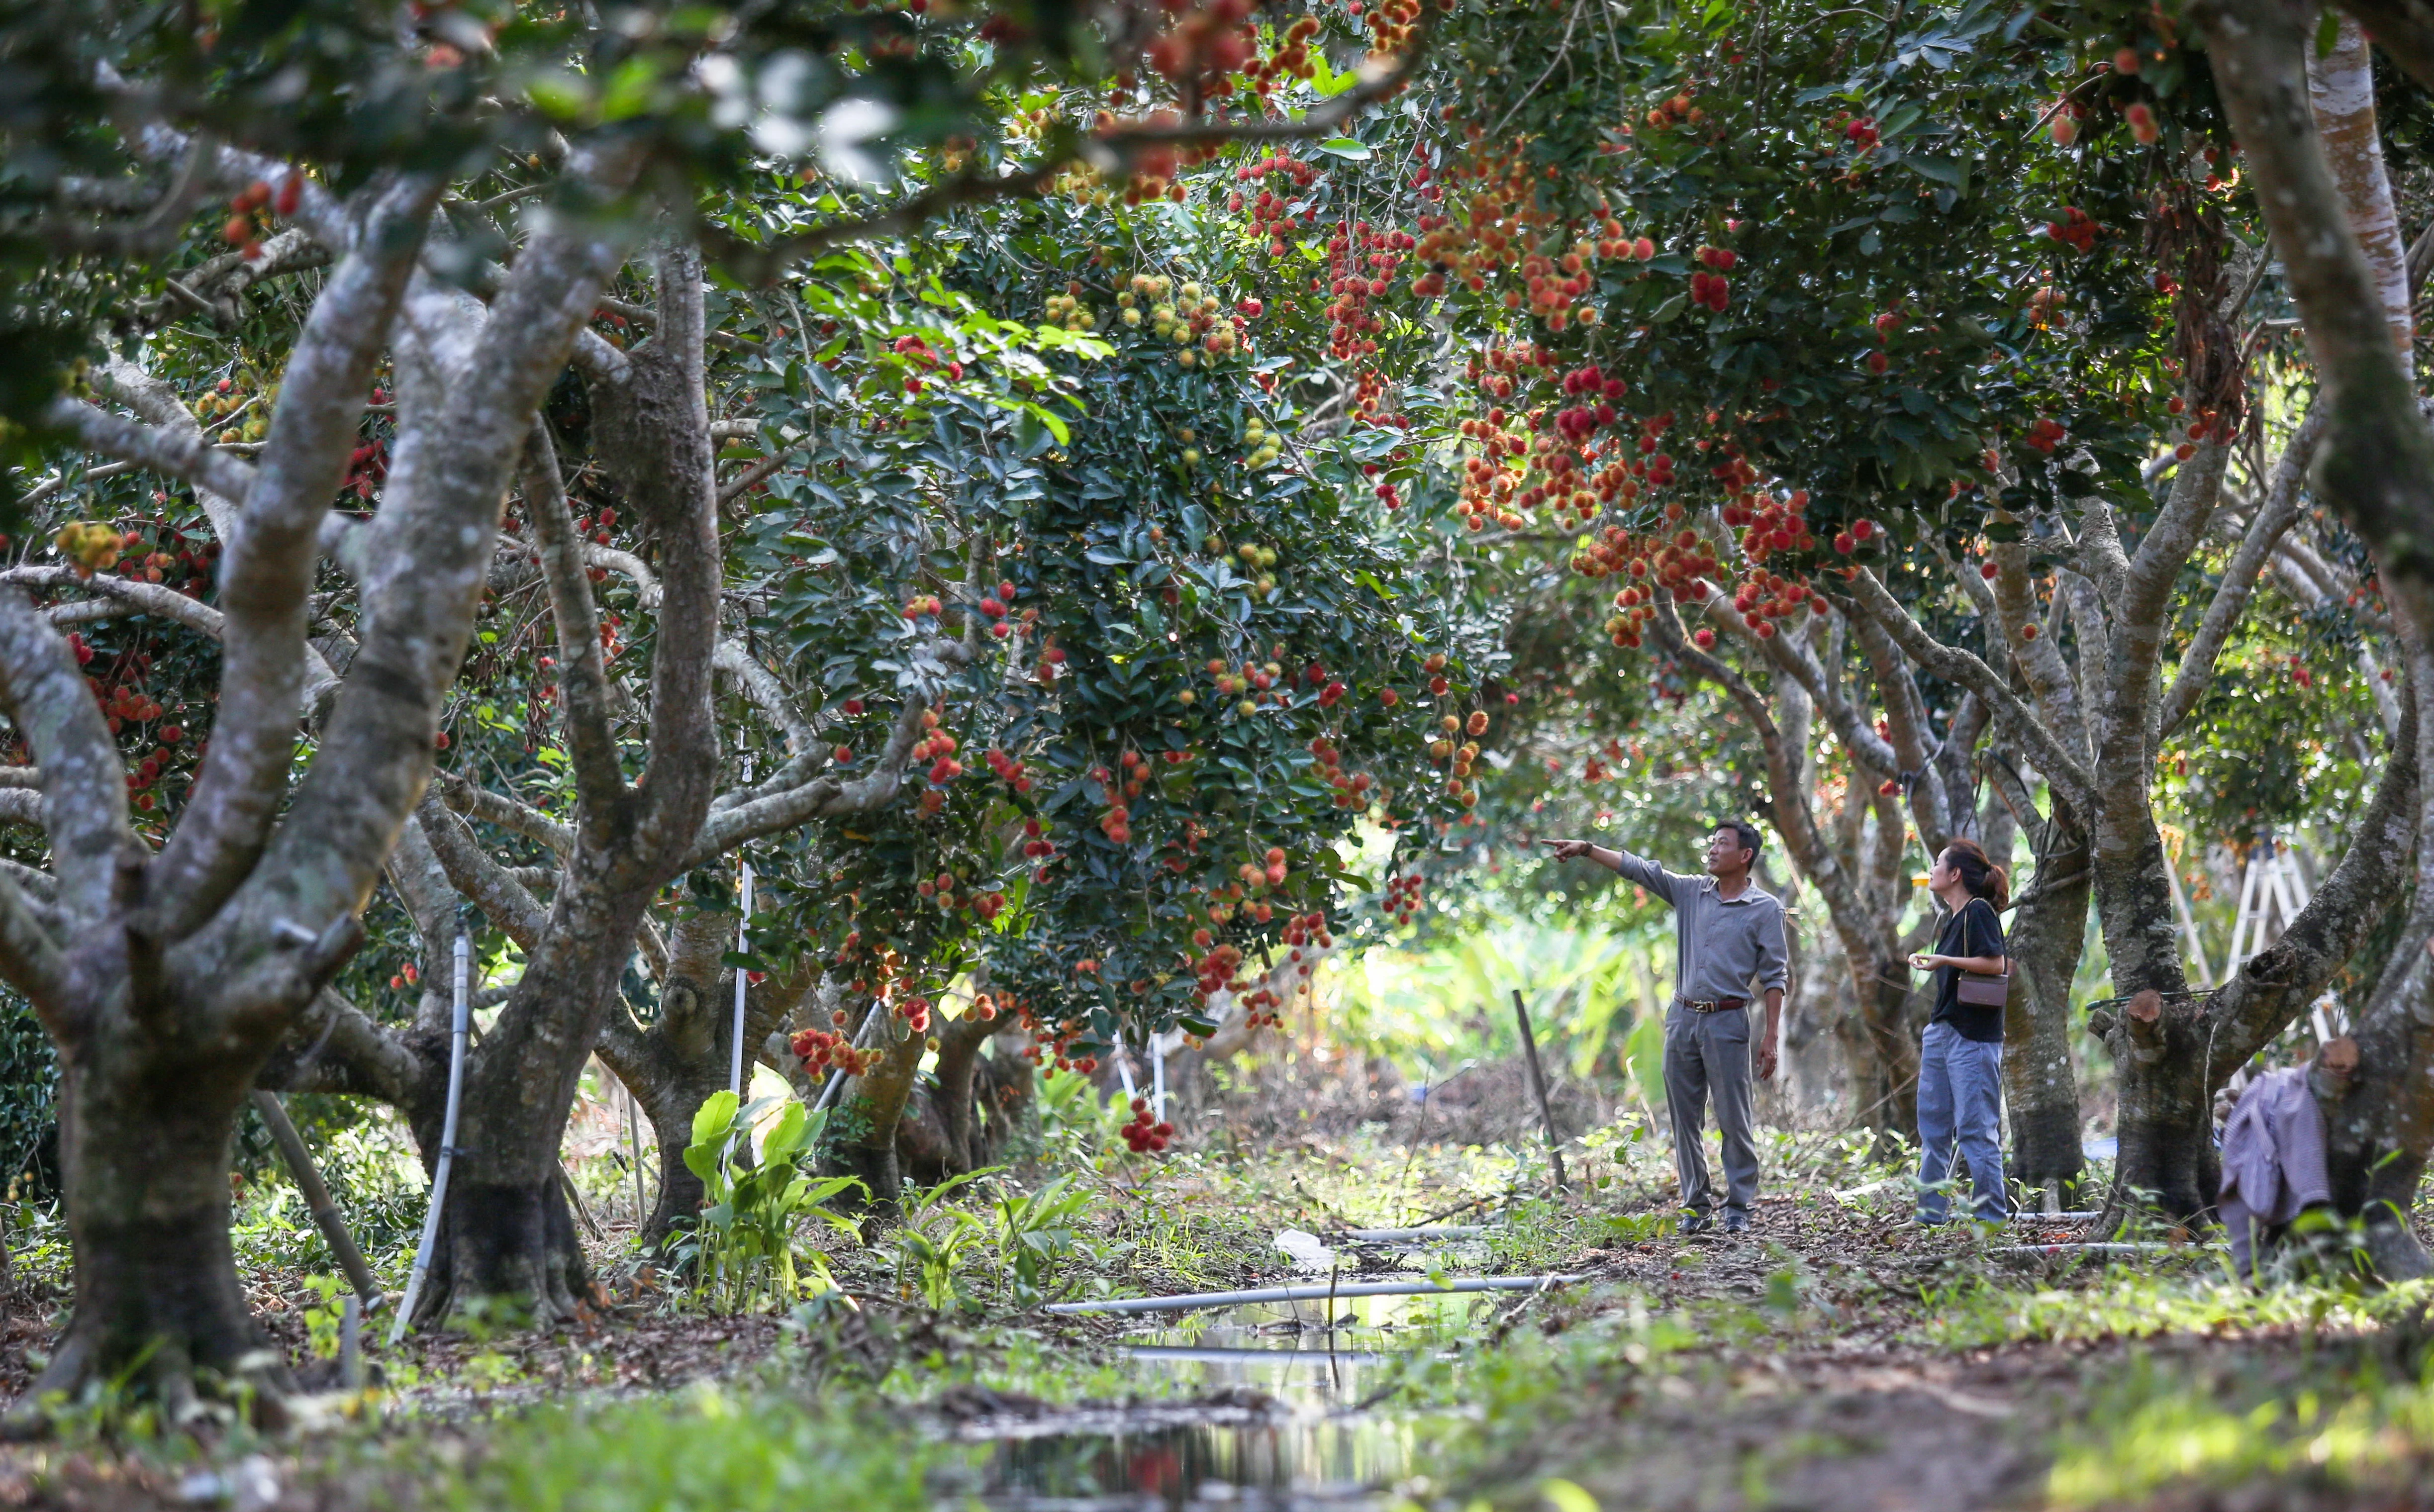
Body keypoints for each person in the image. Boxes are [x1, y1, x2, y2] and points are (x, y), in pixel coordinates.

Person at [1546, 822, 1787, 1235]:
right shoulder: (1692, 892)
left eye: (1722, 844)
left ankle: (1738, 1208)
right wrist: (1587, 848)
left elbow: (1775, 978)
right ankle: (1695, 1206)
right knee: (1684, 1120)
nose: (1712, 850)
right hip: (1682, 1020)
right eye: (1711, 842)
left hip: (1728, 1021)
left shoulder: (1765, 909)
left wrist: (1770, 1038)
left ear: (1744, 855)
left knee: (1734, 1119)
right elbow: (1640, 870)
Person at [1907, 838, 2010, 1225]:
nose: (1931, 870)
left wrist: (1943, 959)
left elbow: (1996, 963)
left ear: (1954, 874)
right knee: (1933, 1129)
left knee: (1976, 1131)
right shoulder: (1953, 918)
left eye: (1937, 864)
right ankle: (1929, 1215)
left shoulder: (1979, 911)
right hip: (1942, 1030)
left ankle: (1991, 1219)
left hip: (1971, 1037)